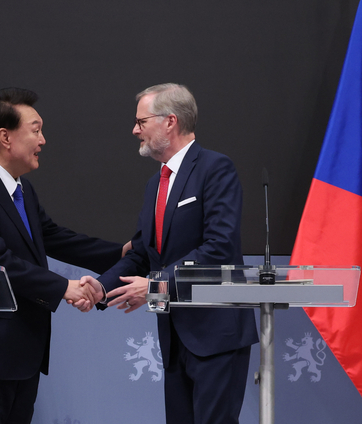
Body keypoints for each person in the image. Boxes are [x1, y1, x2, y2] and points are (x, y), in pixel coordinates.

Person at [0, 87, 127, 424]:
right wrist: (63, 287)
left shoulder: (21, 187)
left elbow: (51, 236)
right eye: (35, 130)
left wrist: (119, 254)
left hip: (19, 356)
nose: (43, 140)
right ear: (5, 137)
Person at [82, 83, 258, 424]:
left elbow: (218, 247)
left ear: (170, 122)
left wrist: (154, 285)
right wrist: (101, 287)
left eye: (141, 121)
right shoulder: (155, 184)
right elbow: (144, 252)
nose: (135, 130)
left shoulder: (215, 168)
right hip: (175, 337)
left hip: (215, 335)